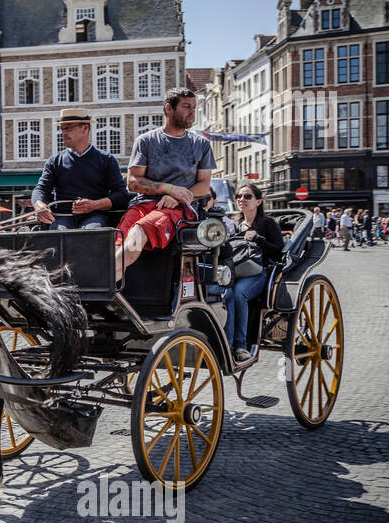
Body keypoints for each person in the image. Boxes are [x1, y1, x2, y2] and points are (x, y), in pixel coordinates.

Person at [118, 87, 215, 275]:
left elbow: (204, 186)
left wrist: (178, 197)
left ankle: (100, 284)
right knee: (119, 239)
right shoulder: (146, 141)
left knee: (139, 231)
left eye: (194, 107)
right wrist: (170, 189)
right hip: (144, 204)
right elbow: (133, 182)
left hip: (180, 209)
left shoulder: (200, 144)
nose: (192, 111)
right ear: (169, 108)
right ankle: (108, 291)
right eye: (186, 106)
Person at [31, 108, 130, 229]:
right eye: (62, 128)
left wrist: (94, 205)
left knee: (90, 233)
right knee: (59, 234)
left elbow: (121, 195)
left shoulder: (106, 160)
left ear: (85, 128)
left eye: (68, 128)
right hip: (62, 217)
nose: (63, 133)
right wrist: (38, 204)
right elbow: (41, 189)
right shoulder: (54, 161)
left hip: (95, 216)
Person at [222, 183, 284, 363]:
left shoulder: (267, 223)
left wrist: (259, 239)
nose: (242, 200)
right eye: (239, 197)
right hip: (236, 271)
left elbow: (279, 250)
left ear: (258, 201)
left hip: (259, 272)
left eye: (247, 196)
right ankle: (226, 342)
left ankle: (241, 346)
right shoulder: (234, 223)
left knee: (240, 294)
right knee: (226, 294)